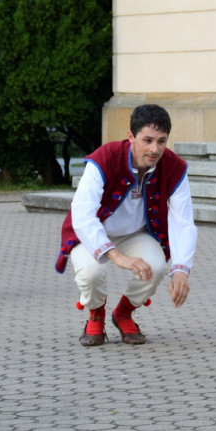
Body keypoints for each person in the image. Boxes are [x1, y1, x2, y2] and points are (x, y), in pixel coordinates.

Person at [54, 104, 197, 347]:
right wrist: (117, 256)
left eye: (162, 141)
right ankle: (96, 313)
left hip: (135, 235)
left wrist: (181, 269)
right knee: (92, 273)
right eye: (147, 140)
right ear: (130, 136)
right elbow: (83, 215)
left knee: (156, 267)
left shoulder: (175, 167)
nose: (155, 149)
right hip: (93, 234)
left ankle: (123, 313)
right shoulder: (104, 158)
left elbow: (183, 222)